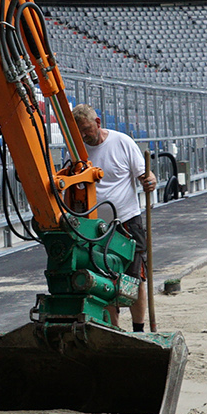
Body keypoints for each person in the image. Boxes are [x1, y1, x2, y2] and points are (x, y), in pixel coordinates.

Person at [72, 103, 157, 332]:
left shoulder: (122, 142)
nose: (83, 135)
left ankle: (138, 330)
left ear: (98, 123)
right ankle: (115, 330)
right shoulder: (78, 152)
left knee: (134, 279)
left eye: (86, 129)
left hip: (128, 222)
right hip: (96, 228)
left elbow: (144, 174)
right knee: (104, 280)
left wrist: (150, 180)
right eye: (78, 131)